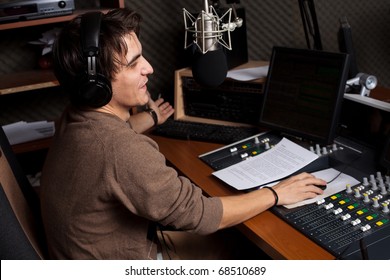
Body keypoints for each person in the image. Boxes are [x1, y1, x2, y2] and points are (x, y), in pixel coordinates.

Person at [40, 7, 326, 260]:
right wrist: (276, 193)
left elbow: (112, 137)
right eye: (133, 63)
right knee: (247, 248)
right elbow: (202, 215)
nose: (149, 68)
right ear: (96, 84)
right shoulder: (120, 150)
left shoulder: (74, 118)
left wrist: (151, 117)